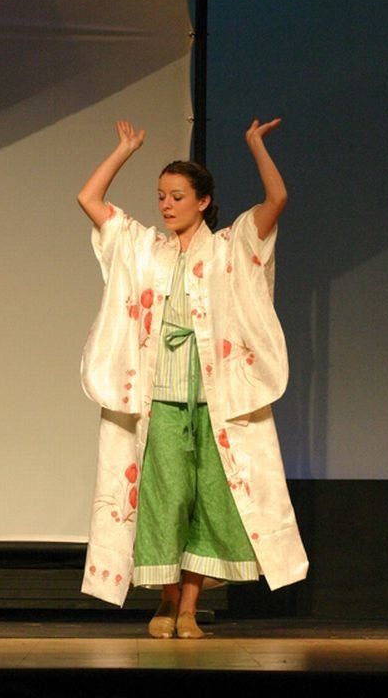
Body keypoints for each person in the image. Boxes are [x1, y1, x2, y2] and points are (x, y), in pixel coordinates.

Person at [77, 119, 308, 638]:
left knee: (209, 500)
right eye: (161, 196)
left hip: (215, 401)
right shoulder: (144, 248)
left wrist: (254, 145)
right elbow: (89, 198)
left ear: (203, 202)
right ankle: (165, 600)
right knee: (165, 498)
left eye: (177, 196)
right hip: (160, 398)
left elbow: (276, 199)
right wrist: (124, 149)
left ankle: (189, 607)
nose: (166, 205)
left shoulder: (230, 246)